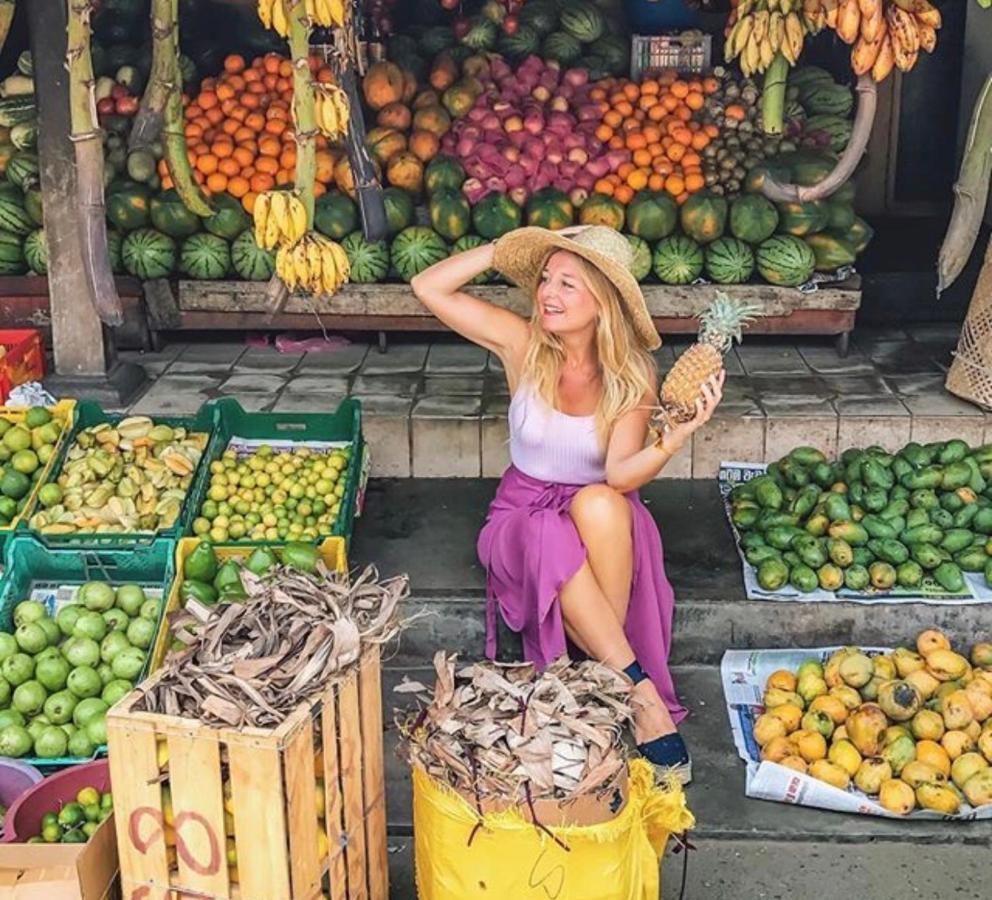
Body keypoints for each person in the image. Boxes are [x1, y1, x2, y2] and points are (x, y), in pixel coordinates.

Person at [411, 225, 724, 782]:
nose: (547, 293)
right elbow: (429, 287)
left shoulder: (632, 375)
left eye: (568, 283)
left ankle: (595, 677)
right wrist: (515, 245)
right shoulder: (523, 344)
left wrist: (673, 439)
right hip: (520, 515)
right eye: (545, 279)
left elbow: (621, 475)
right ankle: (640, 698)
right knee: (547, 533)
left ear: (602, 301)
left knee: (602, 502)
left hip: (596, 515)